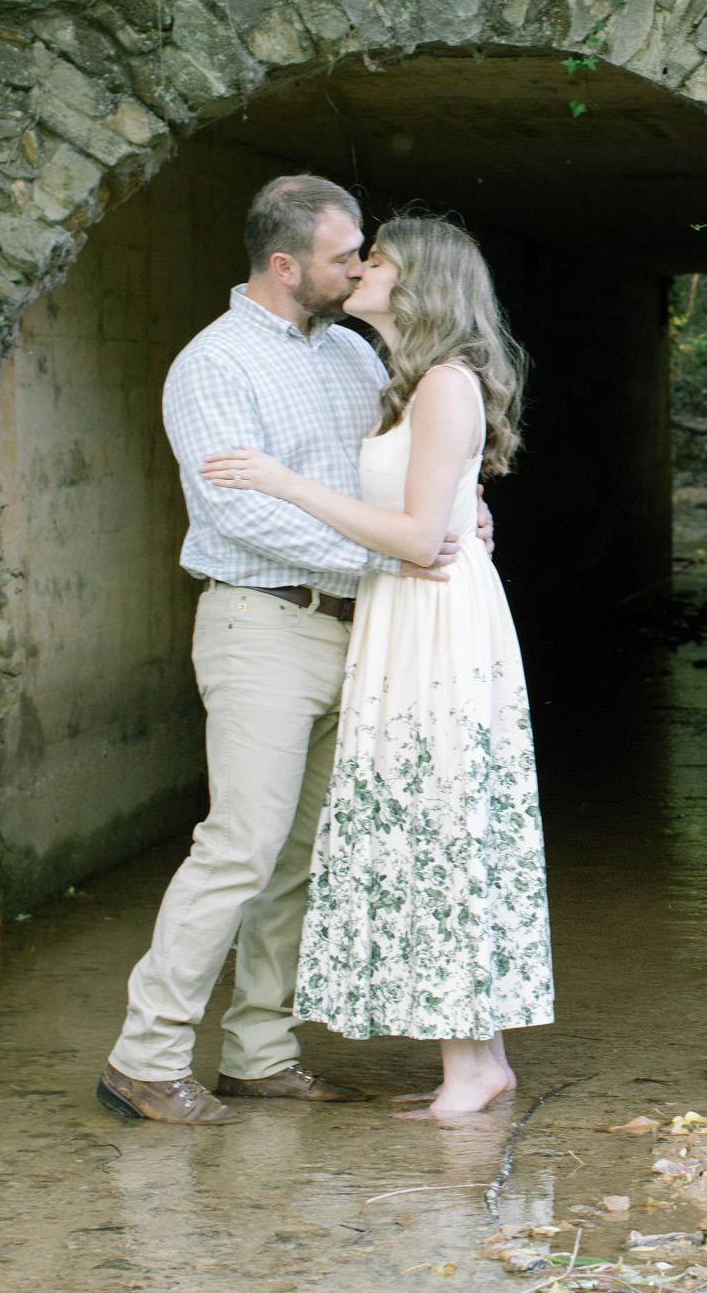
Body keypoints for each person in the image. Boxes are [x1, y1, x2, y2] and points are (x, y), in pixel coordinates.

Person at [97, 175, 489, 1126]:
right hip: (261, 624)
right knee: (238, 844)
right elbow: (236, 510)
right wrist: (392, 551)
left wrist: (450, 514)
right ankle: (144, 1058)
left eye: (367, 253)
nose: (360, 266)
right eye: (343, 254)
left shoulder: (358, 355)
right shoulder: (214, 364)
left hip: (363, 633)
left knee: (300, 858)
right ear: (284, 266)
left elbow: (404, 479)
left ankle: (259, 1055)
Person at [200, 212, 553, 1117]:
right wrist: (460, 512)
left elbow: (416, 534)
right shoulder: (407, 383)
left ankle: (473, 1066)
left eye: (377, 259)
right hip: (410, 608)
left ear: (417, 282)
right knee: (433, 826)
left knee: (443, 826)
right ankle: (477, 1062)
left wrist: (283, 481)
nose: (359, 268)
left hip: (434, 616)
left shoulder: (442, 384)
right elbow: (433, 513)